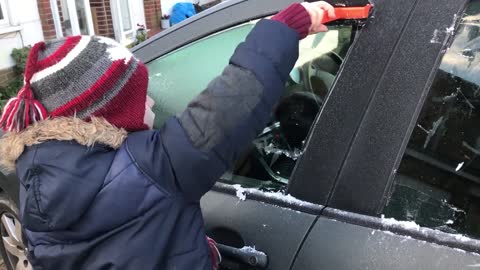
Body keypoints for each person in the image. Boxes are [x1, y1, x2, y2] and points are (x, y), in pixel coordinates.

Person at [0, 1, 335, 269]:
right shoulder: (151, 167)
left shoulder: (34, 175)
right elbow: (226, 108)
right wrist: (282, 30)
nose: (152, 100)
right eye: (141, 94)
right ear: (108, 114)